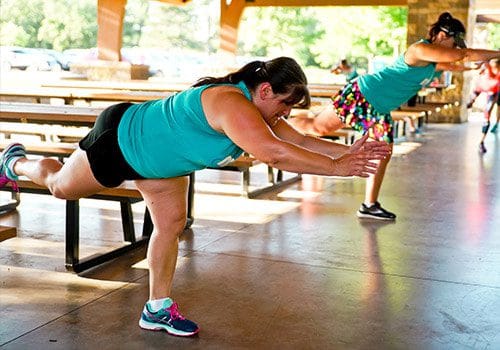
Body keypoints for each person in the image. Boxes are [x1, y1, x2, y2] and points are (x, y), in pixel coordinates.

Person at [0, 57, 391, 337]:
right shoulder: (230, 102)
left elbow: (300, 141)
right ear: (266, 89)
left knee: (169, 225)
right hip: (121, 141)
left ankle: (157, 309)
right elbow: (274, 153)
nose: (284, 114)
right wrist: (339, 169)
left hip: (162, 166)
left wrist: (347, 153)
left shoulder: (261, 111)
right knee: (59, 187)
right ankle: (17, 164)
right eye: (284, 103)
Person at [289, 12, 500, 220]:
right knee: (316, 127)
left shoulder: (432, 64)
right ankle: (277, 125)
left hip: (379, 109)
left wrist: (481, 63)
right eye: (455, 43)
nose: (455, 48)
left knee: (382, 151)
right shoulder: (419, 49)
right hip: (363, 95)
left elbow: (460, 63)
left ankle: (369, 205)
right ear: (443, 36)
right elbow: (462, 56)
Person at [466, 59, 500, 153]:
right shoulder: (487, 68)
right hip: (481, 87)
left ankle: (481, 142)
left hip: (492, 92)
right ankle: (471, 101)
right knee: (474, 97)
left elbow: (495, 95)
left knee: (487, 116)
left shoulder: (497, 77)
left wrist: (490, 107)